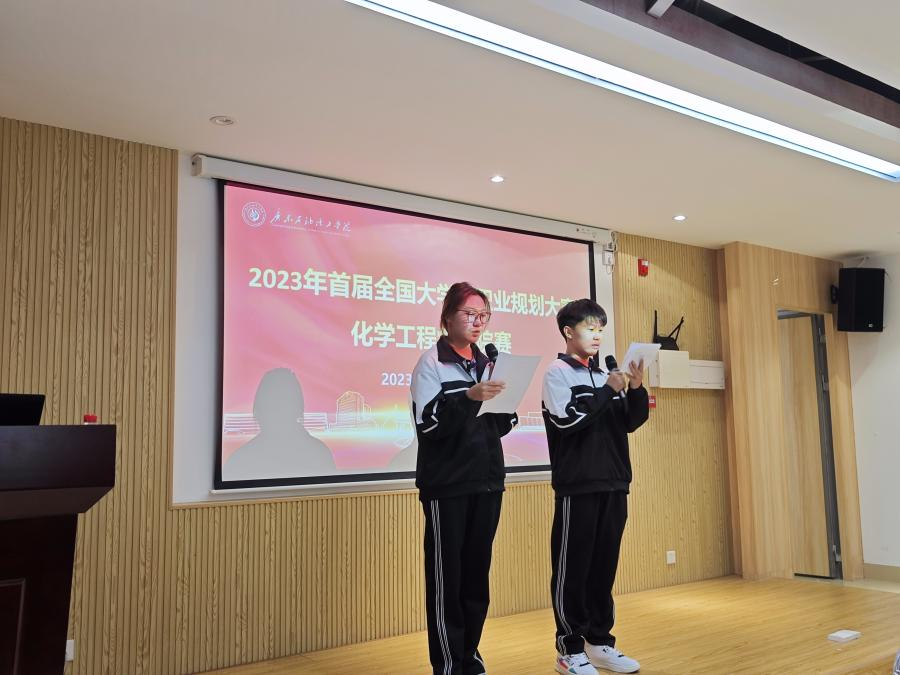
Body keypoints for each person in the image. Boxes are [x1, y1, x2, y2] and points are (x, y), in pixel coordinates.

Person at [410, 281, 518, 675]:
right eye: (469, 314)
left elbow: (500, 426)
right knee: (447, 581)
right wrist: (470, 397)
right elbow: (430, 423)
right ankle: (448, 665)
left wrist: (505, 406)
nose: (477, 322)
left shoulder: (488, 364)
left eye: (483, 315)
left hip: (487, 482)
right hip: (447, 486)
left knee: (476, 579)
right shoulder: (431, 363)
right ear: (447, 317)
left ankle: (469, 657)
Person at [541, 299, 649, 675]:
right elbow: (569, 422)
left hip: (615, 482)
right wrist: (607, 390)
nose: (597, 335)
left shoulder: (606, 373)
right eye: (590, 328)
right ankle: (569, 649)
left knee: (604, 568)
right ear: (569, 332)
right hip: (578, 486)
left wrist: (635, 388)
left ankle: (600, 642)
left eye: (601, 329)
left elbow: (630, 422)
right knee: (572, 570)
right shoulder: (557, 373)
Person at [224, 367, 336, 481]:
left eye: (281, 404)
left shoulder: (239, 461)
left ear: (258, 410)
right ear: (299, 408)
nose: (278, 411)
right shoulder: (320, 454)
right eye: (275, 405)